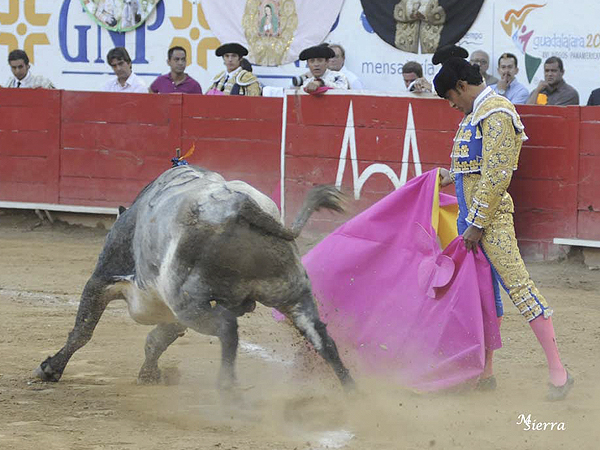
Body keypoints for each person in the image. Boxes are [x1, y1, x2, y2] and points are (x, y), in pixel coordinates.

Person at [432, 45, 573, 401]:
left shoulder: (496, 113)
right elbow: (477, 169)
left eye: (450, 97)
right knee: (483, 293)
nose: (451, 105)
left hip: (490, 221)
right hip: (472, 219)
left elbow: (496, 176)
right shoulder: (476, 113)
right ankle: (485, 373)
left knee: (519, 288)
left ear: (462, 85)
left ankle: (559, 373)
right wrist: (451, 177)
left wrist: (477, 222)